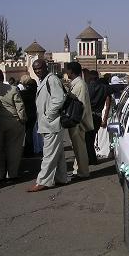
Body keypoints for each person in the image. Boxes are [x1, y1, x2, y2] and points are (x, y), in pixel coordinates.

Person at [28, 59, 68, 192]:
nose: (37, 71)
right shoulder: (44, 81)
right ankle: (62, 178)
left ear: (46, 67)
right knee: (58, 153)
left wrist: (48, 116)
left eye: (39, 68)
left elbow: (59, 99)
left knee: (48, 154)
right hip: (48, 124)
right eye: (35, 69)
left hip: (52, 123)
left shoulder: (52, 79)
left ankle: (43, 181)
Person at [0, 68, 26, 181]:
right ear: (2, 76)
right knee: (14, 149)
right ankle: (12, 173)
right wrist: (23, 120)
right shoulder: (12, 88)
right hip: (14, 122)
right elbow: (20, 107)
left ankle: (0, 174)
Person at [65, 62, 94, 179]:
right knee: (77, 148)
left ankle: (83, 172)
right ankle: (78, 170)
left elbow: (80, 105)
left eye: (67, 70)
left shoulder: (80, 84)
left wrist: (76, 121)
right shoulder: (75, 84)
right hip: (76, 121)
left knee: (80, 148)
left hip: (78, 122)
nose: (66, 72)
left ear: (71, 71)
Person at [85, 70, 109, 165]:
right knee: (92, 138)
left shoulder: (88, 88)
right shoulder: (103, 89)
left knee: (88, 140)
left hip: (90, 116)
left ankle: (92, 159)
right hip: (98, 117)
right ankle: (92, 158)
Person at [18, 75, 38, 157]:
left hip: (27, 114)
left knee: (27, 134)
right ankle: (31, 150)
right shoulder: (35, 91)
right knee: (30, 133)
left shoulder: (24, 93)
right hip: (33, 114)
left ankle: (28, 151)